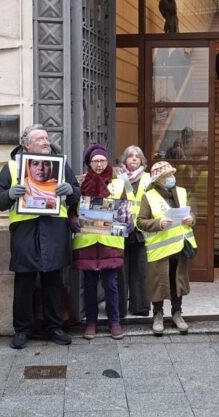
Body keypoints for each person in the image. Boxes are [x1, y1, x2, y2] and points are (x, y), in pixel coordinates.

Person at [0, 124, 80, 349]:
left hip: (54, 230)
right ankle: (22, 330)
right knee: (24, 282)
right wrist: (10, 194)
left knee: (53, 281)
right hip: (25, 231)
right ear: (26, 144)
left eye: (47, 139)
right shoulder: (12, 167)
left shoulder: (60, 165)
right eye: (40, 139)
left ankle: (54, 327)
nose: (46, 142)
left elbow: (77, 193)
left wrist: (70, 190)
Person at [136, 161, 196, 335]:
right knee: (159, 283)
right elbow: (140, 221)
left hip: (180, 245)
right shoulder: (149, 196)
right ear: (159, 180)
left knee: (176, 281)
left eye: (172, 174)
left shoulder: (182, 192)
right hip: (160, 248)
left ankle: (177, 314)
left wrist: (191, 220)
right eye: (167, 175)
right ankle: (158, 315)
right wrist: (159, 223)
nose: (171, 178)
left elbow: (191, 213)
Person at [73, 144, 125, 340]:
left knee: (111, 284)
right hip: (87, 241)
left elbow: (126, 209)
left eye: (102, 160)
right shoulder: (80, 183)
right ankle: (91, 323)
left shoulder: (118, 183)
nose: (99, 164)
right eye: (95, 161)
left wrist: (127, 222)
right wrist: (72, 221)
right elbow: (73, 208)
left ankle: (115, 322)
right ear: (89, 163)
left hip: (109, 241)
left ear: (107, 161)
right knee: (90, 285)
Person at [115, 145, 151, 317]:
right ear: (125, 160)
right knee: (120, 272)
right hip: (120, 229)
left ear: (142, 160)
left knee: (141, 271)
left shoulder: (149, 179)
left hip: (142, 231)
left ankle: (140, 306)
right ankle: (120, 309)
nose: (134, 159)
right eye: (130, 156)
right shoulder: (117, 179)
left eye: (137, 156)